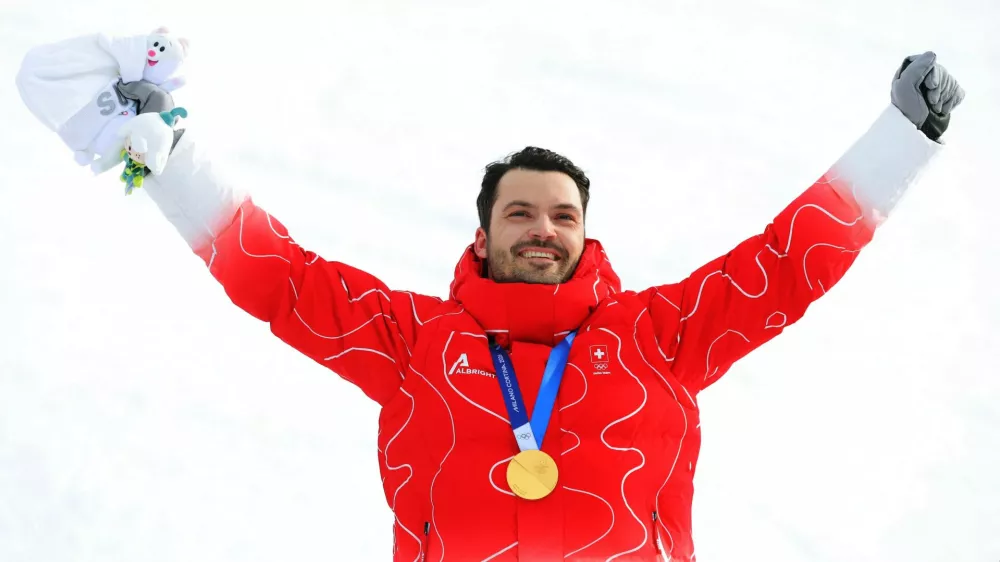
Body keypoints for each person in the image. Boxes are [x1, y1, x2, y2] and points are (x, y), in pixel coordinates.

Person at [18, 28, 966, 561]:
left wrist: (901, 141)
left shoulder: (660, 335)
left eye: (562, 215)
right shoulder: (411, 342)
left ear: (586, 234)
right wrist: (171, 159)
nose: (542, 229)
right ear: (483, 235)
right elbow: (279, 278)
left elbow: (786, 266)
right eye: (520, 213)